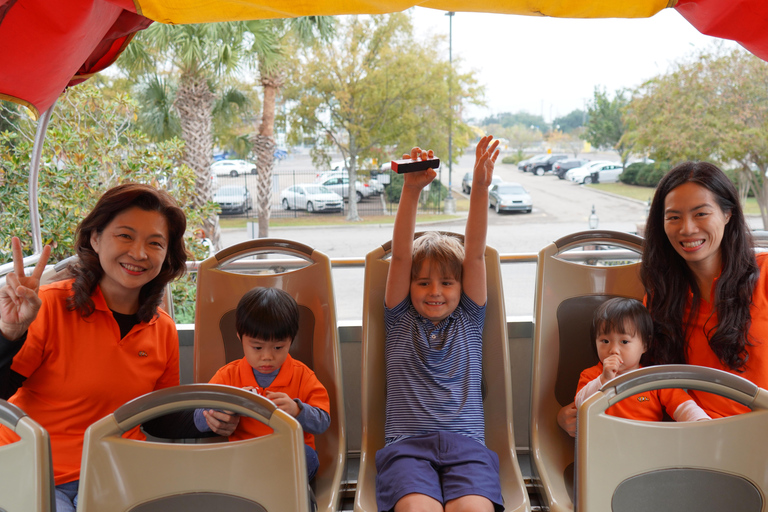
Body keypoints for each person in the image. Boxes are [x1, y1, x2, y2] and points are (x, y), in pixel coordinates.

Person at [0, 184, 238, 511]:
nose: (139, 253)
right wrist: (9, 332)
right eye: (125, 236)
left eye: (154, 243)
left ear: (166, 256)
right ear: (95, 239)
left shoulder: (161, 328)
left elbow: (156, 418)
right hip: (34, 472)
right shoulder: (51, 307)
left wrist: (207, 420)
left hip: (113, 474)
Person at [558, 160, 764, 435]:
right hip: (690, 440)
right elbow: (649, 382)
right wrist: (569, 415)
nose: (687, 229)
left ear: (728, 214)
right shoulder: (660, 299)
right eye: (673, 217)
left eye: (701, 213)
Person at [375, 135, 503, 512]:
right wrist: (411, 191)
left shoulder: (469, 315)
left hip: (467, 448)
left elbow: (475, 253)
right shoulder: (400, 318)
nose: (435, 292)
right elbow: (400, 257)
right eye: (423, 282)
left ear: (460, 286)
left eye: (447, 282)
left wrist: (479, 189)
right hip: (406, 448)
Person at [193, 286, 330, 481]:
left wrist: (296, 410)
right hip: (245, 456)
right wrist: (226, 408)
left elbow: (323, 421)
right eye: (257, 347)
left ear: (291, 340)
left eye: (278, 347)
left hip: (288, 454)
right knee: (218, 462)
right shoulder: (229, 375)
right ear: (240, 337)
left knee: (307, 458)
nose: (267, 357)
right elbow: (198, 417)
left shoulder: (303, 375)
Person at [575, 297, 709, 422]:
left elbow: (682, 404)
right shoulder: (591, 376)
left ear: (645, 345)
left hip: (647, 443)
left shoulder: (653, 378)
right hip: (605, 443)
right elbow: (581, 405)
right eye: (605, 341)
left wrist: (700, 421)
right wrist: (604, 380)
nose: (613, 350)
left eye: (624, 341)